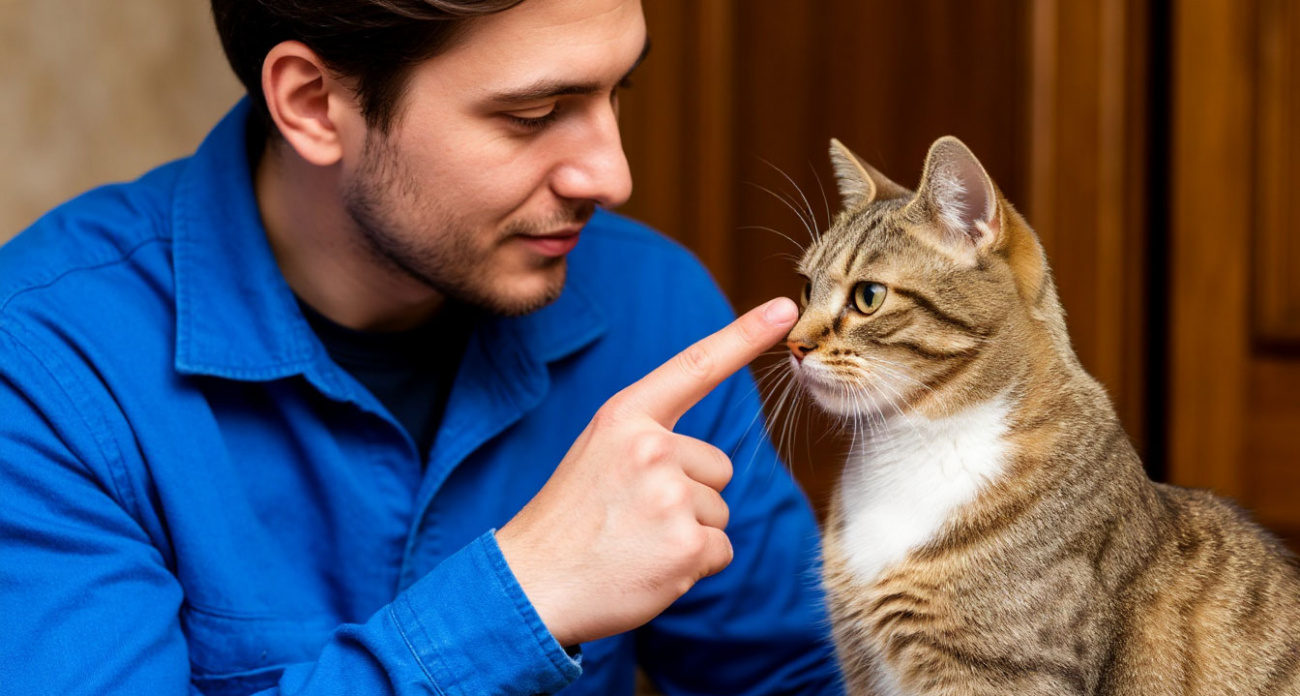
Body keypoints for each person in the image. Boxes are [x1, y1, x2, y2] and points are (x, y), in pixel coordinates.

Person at [0, 0, 843, 694]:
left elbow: (799, 678)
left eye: (617, 91)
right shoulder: (44, 368)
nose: (611, 176)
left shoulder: (654, 309)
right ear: (311, 103)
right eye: (535, 115)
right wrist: (522, 593)